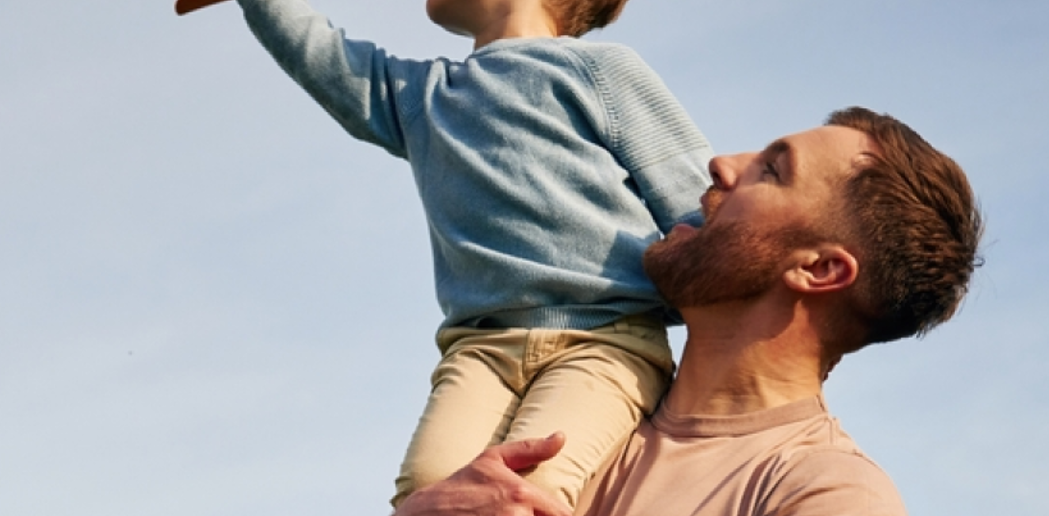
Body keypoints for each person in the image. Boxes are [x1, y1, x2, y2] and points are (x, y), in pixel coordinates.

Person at [180, 0, 712, 508]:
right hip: (479, 350)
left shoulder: (602, 74)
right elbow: (321, 55)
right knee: (430, 494)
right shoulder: (424, 98)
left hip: (608, 340)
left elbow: (701, 208)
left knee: (531, 492)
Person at [394, 107, 984, 516]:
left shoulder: (823, 490)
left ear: (819, 269)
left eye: (771, 171)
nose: (721, 164)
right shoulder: (573, 410)